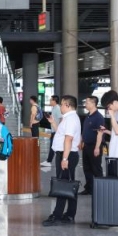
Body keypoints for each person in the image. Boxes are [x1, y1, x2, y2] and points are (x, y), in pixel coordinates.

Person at [42, 95, 81, 226]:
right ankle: (69, 214)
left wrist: (64, 158)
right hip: (67, 154)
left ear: (68, 106)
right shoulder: (69, 118)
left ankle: (57, 215)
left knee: (63, 186)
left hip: (67, 155)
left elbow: (68, 140)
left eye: (63, 104)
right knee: (68, 185)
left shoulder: (71, 120)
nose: (61, 106)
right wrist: (53, 122)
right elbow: (61, 134)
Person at [79, 96, 105, 195]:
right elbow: (85, 130)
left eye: (87, 102)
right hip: (86, 146)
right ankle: (89, 188)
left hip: (94, 146)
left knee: (96, 168)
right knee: (87, 168)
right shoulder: (88, 116)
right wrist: (81, 141)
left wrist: (97, 147)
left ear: (94, 104)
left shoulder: (98, 117)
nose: (86, 104)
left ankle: (100, 189)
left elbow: (100, 133)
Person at [41, 95, 62, 170]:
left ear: (54, 101)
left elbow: (61, 118)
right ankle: (49, 161)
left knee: (53, 146)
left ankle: (49, 161)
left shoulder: (57, 108)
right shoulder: (54, 108)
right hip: (54, 130)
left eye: (50, 100)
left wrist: (59, 129)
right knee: (52, 146)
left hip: (56, 131)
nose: (49, 101)